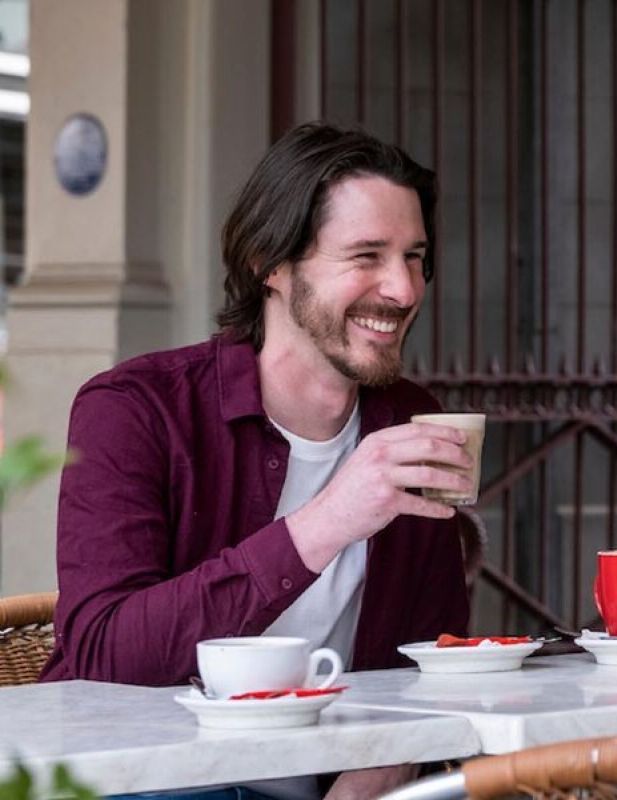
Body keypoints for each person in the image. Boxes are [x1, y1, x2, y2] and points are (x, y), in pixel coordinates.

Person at [42, 122, 476, 798]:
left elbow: (429, 659)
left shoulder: (406, 418)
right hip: (146, 779)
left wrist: (375, 778)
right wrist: (329, 518)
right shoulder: (133, 408)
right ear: (269, 265)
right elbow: (103, 651)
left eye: (414, 256)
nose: (403, 288)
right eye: (366, 255)